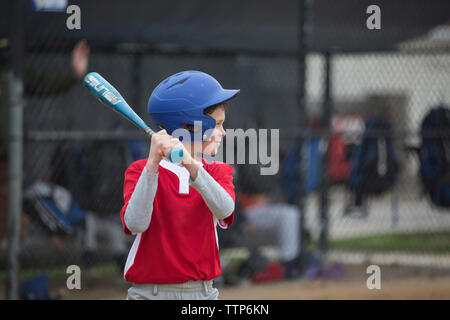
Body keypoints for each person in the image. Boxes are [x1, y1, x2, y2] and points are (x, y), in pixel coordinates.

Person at [121, 70, 239, 300]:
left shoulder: (217, 171)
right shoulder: (141, 171)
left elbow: (225, 209)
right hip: (149, 294)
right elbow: (135, 223)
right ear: (191, 125)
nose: (223, 132)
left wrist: (190, 164)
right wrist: (153, 165)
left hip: (203, 294)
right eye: (218, 125)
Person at [237, 166, 302, 279]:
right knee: (289, 214)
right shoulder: (241, 163)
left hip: (263, 211)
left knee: (291, 213)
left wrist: (273, 200)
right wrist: (242, 219)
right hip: (245, 212)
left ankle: (288, 264)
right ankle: (287, 265)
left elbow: (275, 194)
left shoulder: (269, 163)